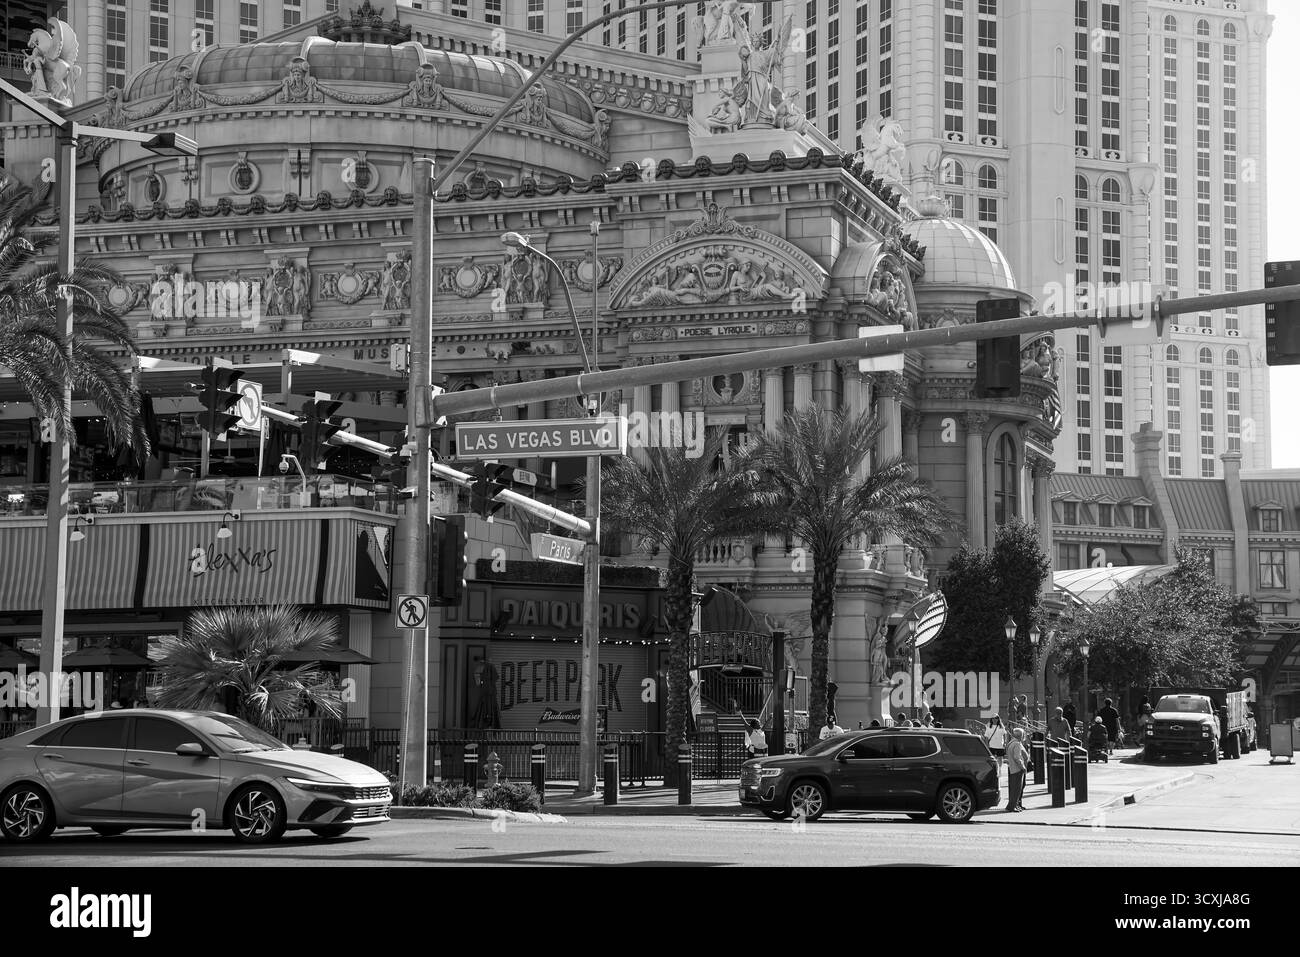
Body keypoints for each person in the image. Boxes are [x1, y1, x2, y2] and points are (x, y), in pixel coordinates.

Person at [1006, 728, 1029, 812]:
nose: (1024, 736)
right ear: (1021, 736)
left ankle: (1012, 805)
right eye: (1023, 735)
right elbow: (1017, 757)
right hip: (1017, 769)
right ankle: (1013, 807)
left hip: (1012, 768)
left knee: (1014, 789)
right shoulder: (1017, 744)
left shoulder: (1011, 743)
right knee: (1016, 790)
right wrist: (1022, 767)